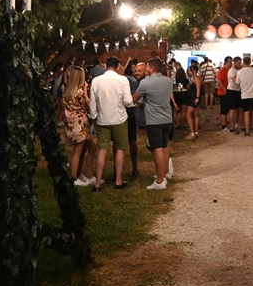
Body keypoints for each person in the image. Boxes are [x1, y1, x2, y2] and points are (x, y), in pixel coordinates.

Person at [88, 56, 133, 192]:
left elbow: (92, 103)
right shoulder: (123, 80)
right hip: (119, 118)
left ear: (105, 66)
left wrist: (94, 117)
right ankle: (118, 181)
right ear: (118, 66)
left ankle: (97, 183)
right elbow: (128, 101)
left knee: (102, 150)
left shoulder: (96, 81)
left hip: (103, 119)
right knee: (120, 149)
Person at [135, 58, 176, 189]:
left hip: (154, 120)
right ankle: (164, 174)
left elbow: (135, 99)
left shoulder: (145, 82)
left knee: (157, 149)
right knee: (164, 147)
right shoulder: (168, 81)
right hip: (167, 119)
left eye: (147, 66)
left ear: (151, 68)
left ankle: (159, 181)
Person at [62, 65, 96, 186]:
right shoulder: (79, 92)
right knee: (78, 151)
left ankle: (80, 174)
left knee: (89, 148)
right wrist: (86, 90)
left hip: (72, 124)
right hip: (80, 124)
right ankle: (73, 178)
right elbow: (88, 105)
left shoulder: (67, 92)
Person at [236, 54, 253, 135]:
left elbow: (237, 83)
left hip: (244, 96)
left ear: (243, 62)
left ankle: (247, 131)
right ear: (250, 61)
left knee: (246, 113)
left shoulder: (239, 72)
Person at [184, 63, 202, 140]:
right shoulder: (194, 78)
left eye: (189, 71)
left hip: (194, 98)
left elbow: (198, 89)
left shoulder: (197, 78)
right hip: (194, 97)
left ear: (194, 71)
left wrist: (197, 97)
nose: (188, 72)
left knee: (188, 114)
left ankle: (192, 132)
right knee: (196, 115)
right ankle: (196, 132)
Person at [226, 56, 243, 132]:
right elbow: (236, 81)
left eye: (240, 63)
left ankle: (236, 125)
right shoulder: (232, 71)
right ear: (235, 63)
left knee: (237, 109)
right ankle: (231, 127)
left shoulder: (239, 70)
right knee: (232, 110)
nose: (240, 64)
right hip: (232, 91)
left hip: (238, 91)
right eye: (239, 63)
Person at [218, 56, 232, 130]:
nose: (231, 63)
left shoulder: (230, 70)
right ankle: (224, 125)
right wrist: (224, 89)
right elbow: (219, 81)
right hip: (223, 93)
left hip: (228, 92)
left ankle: (225, 123)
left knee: (227, 108)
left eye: (231, 62)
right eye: (229, 62)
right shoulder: (222, 70)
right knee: (224, 109)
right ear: (226, 62)